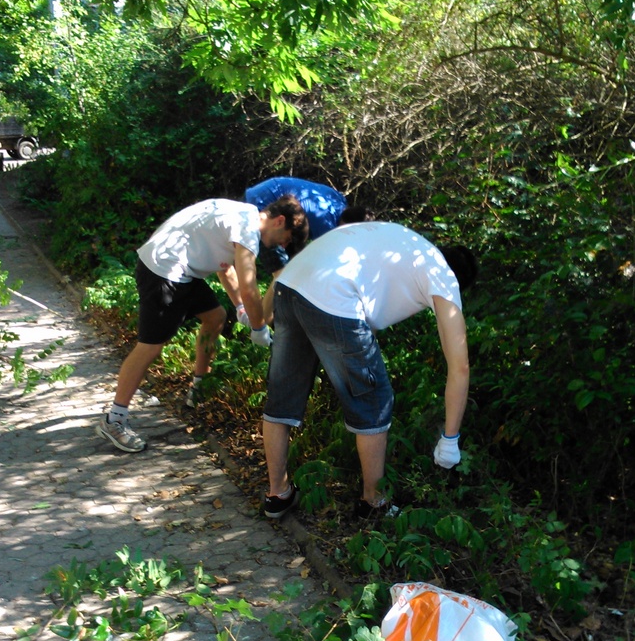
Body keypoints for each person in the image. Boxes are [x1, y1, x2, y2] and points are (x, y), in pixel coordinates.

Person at [260, 221, 478, 520]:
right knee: (375, 399)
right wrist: (450, 438)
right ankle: (373, 502)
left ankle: (277, 493)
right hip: (333, 295)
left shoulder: (409, 244)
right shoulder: (443, 275)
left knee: (283, 393)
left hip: (290, 283)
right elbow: (460, 365)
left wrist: (260, 316)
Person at [96, 196, 309, 453]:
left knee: (215, 317)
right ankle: (114, 419)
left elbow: (226, 269)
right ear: (280, 220)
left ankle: (199, 388)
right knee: (150, 347)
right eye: (286, 238)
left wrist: (239, 307)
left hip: (181, 270)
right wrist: (258, 327)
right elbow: (249, 287)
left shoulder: (243, 216)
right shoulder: (248, 228)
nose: (282, 244)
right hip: (165, 271)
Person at [220, 177, 357, 329]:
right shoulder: (328, 226)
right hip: (264, 210)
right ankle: (259, 323)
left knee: (224, 255)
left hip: (263, 199)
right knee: (283, 272)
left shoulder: (339, 202)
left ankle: (245, 310)